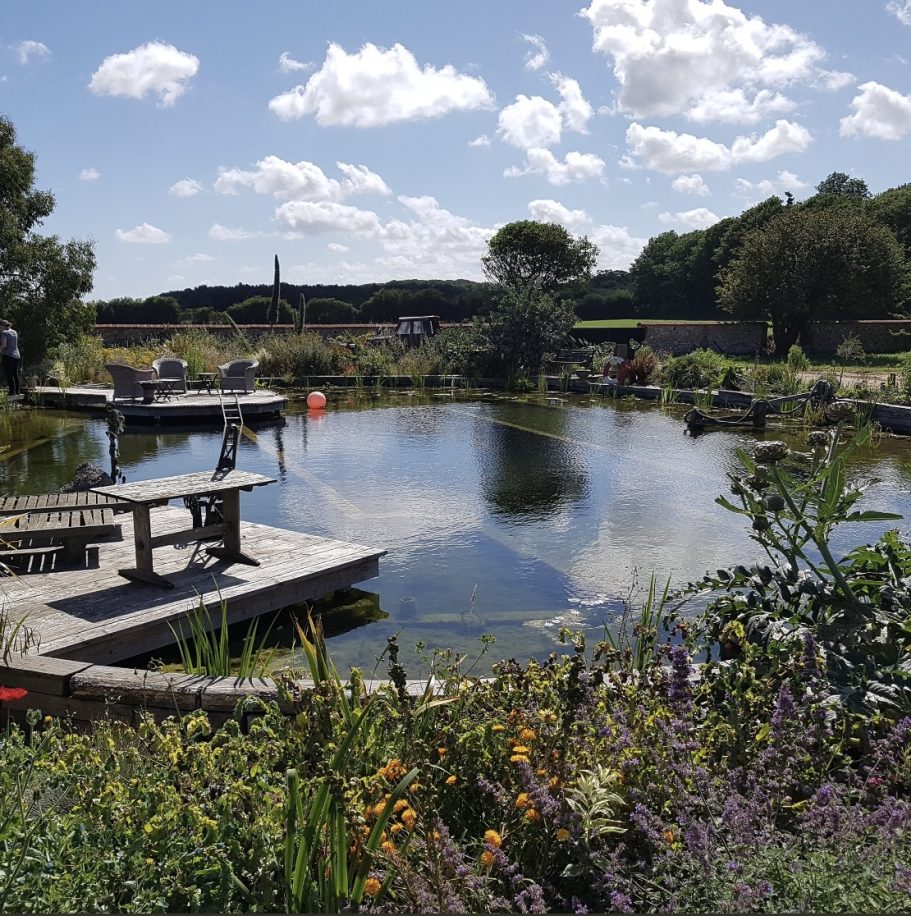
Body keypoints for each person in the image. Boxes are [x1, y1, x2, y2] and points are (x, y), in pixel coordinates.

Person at [0, 319, 21, 396]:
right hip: (17, 355)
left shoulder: (4, 332)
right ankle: (17, 391)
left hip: (8, 355)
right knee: (15, 373)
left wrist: (0, 350)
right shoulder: (14, 332)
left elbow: (4, 344)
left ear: (2, 326)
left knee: (9, 374)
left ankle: (12, 392)